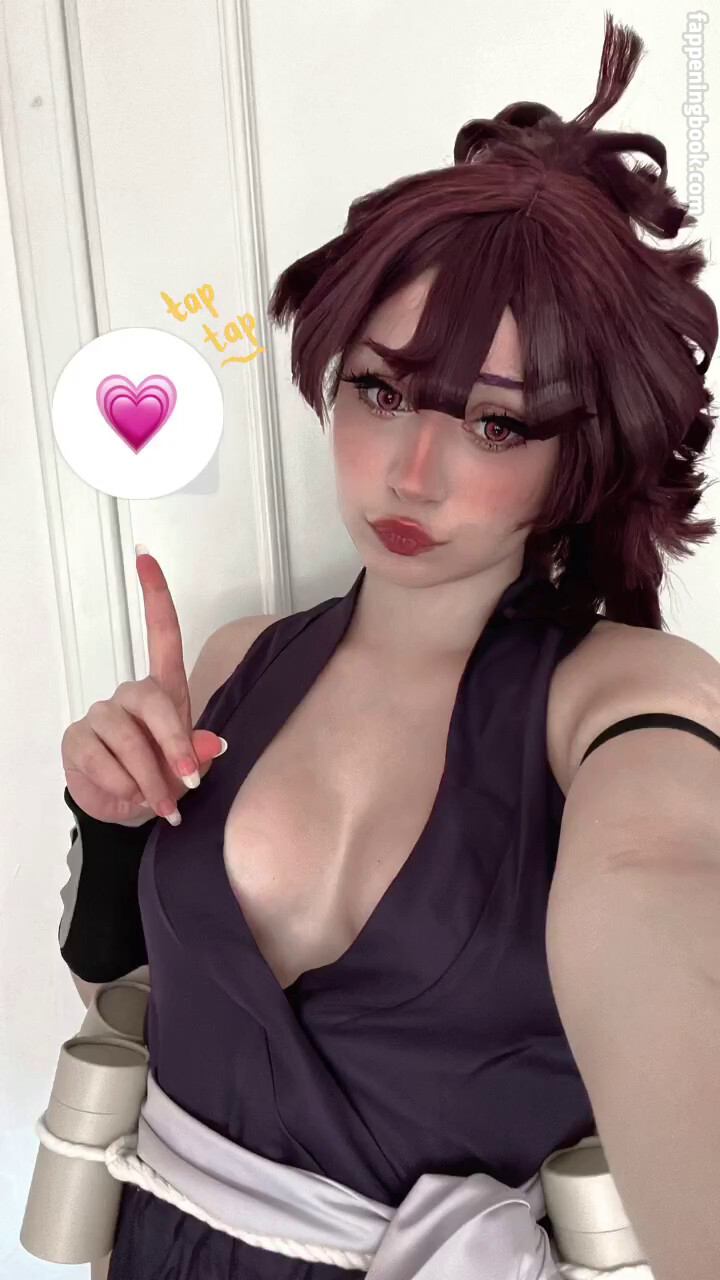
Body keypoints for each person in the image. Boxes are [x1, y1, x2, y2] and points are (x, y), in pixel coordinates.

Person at [58, 13, 719, 1279]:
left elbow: (660, 889)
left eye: (496, 424)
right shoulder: (238, 661)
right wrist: (110, 818)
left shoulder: (623, 700)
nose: (412, 472)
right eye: (381, 390)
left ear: (585, 452)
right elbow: (121, 993)